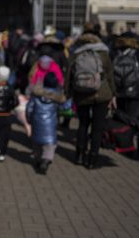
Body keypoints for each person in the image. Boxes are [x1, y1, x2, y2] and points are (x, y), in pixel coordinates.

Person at [65, 30, 115, 169]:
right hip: (102, 94)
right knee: (97, 129)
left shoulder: (75, 53)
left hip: (81, 94)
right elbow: (110, 74)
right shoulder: (104, 53)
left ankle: (79, 156)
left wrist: (68, 94)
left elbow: (68, 75)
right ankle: (92, 159)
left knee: (83, 125)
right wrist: (113, 94)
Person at [26, 72, 66, 174]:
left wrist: (29, 119)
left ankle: (38, 159)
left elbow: (29, 108)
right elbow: (63, 108)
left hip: (37, 122)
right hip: (51, 125)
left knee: (37, 144)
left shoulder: (36, 95)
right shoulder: (57, 98)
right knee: (49, 146)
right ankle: (46, 160)